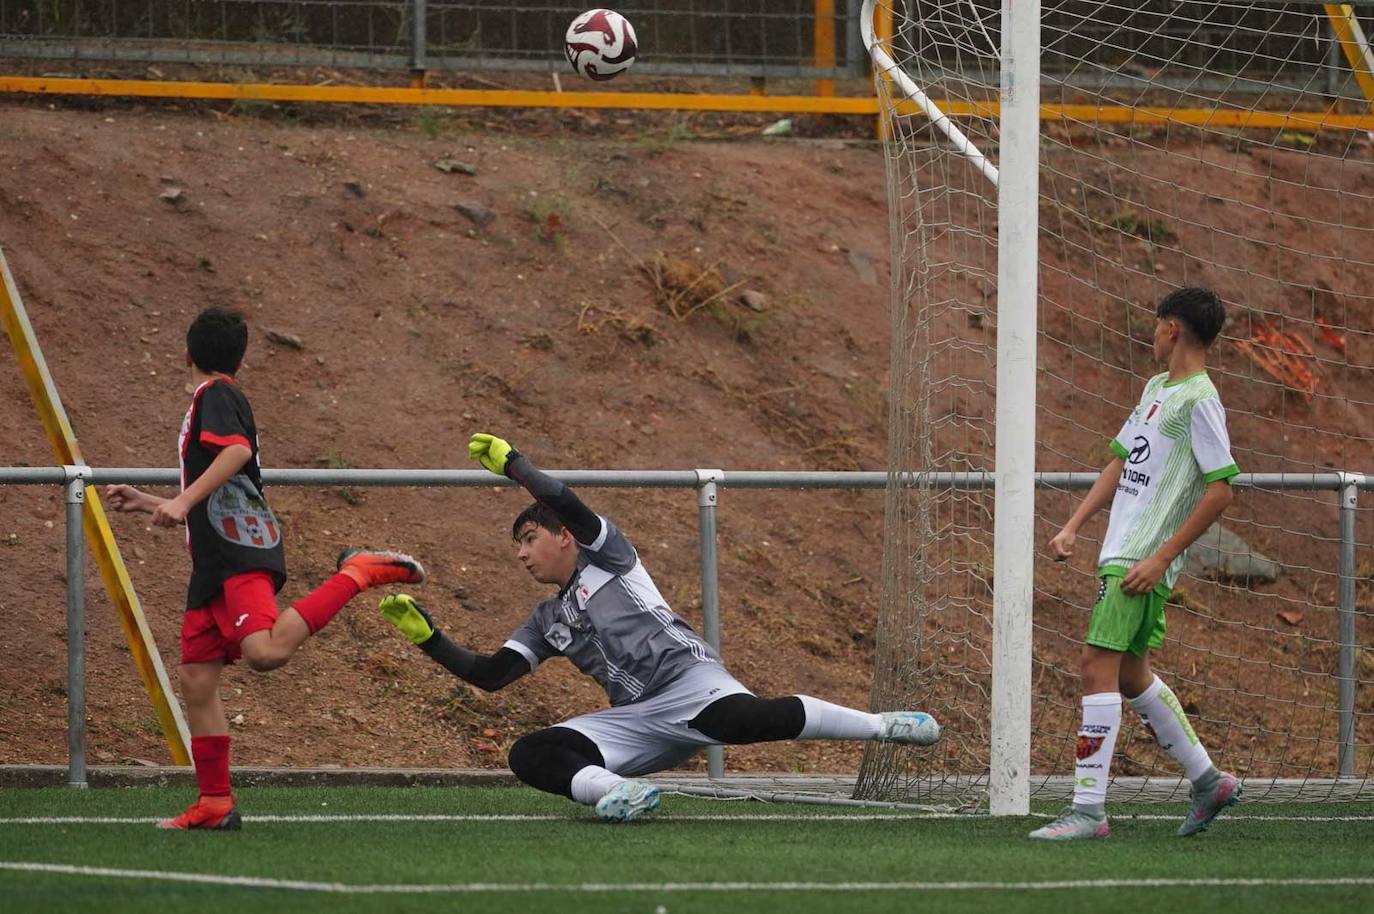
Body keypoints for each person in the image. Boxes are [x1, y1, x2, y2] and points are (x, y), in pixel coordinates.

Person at [379, 433, 942, 822]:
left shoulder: (611, 558)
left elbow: (568, 502)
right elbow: (492, 675)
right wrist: (428, 636)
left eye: (528, 540)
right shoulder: (547, 617)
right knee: (532, 753)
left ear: (563, 538)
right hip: (636, 718)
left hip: (690, 684)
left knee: (745, 719)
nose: (522, 555)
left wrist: (515, 465)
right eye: (517, 547)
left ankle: (884, 725)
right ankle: (617, 794)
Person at [105, 306, 425, 830]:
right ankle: (215, 803)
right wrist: (149, 501)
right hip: (214, 559)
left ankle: (360, 572)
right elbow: (226, 478)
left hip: (239, 551)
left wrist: (182, 502)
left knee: (265, 652)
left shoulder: (217, 396)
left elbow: (235, 453)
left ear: (186, 354)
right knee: (197, 677)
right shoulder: (214, 398)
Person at [1030, 287, 1242, 841]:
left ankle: (1088, 810)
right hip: (1119, 553)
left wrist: (1162, 557)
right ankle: (1209, 780)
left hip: (1138, 562)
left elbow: (1222, 490)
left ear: (1172, 329)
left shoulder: (1199, 399)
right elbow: (1121, 465)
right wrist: (1073, 525)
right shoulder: (1156, 389)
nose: (1150, 336)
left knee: (1093, 667)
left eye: (1154, 327)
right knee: (1128, 675)